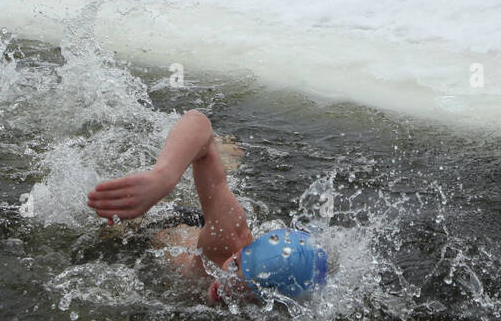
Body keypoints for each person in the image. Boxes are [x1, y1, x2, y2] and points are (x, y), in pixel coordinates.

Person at [85, 109, 328, 304]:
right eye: (235, 267)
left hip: (209, 228)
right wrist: (163, 177)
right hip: (168, 226)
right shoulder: (226, 245)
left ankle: (219, 161)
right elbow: (198, 121)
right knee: (108, 230)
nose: (229, 286)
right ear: (238, 254)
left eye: (252, 290)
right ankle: (213, 156)